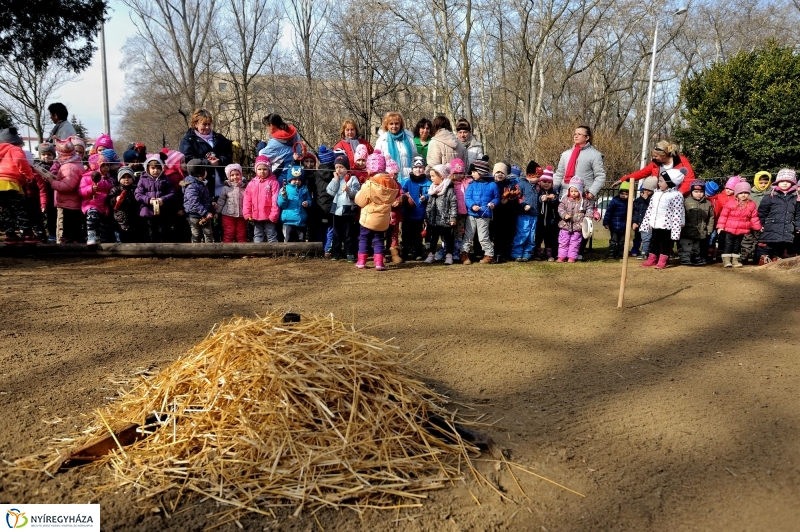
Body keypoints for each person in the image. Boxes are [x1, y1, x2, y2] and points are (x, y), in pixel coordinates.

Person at [354, 149, 400, 271]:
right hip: (383, 220)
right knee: (379, 240)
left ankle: (361, 261)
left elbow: (360, 201)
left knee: (363, 239)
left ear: (370, 169)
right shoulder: (393, 184)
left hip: (368, 219)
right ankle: (379, 262)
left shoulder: (369, 184)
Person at [179, 109, 234, 199]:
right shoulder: (188, 140)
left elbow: (229, 155)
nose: (207, 127)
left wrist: (219, 160)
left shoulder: (220, 138)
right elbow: (188, 159)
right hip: (201, 186)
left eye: (209, 124)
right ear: (196, 124)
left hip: (222, 184)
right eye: (204, 124)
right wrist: (207, 163)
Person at [640, 168, 686, 269]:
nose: (658, 183)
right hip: (656, 224)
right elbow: (650, 209)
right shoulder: (656, 194)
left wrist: (676, 229)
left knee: (665, 243)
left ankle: (663, 260)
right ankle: (652, 258)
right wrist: (649, 222)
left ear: (669, 182)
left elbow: (678, 212)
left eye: (661, 181)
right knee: (654, 241)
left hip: (667, 226)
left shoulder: (676, 195)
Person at [616, 139, 696, 196]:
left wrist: (678, 194)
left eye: (656, 156)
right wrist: (623, 179)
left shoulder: (682, 161)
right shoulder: (655, 164)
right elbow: (641, 173)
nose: (654, 158)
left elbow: (689, 180)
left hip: (679, 196)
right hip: (660, 195)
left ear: (664, 155)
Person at [0, 127, 37, 244]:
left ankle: (10, 235)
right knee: (21, 209)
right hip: (12, 183)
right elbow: (20, 161)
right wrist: (29, 176)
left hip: (0, 184)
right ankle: (27, 234)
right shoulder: (15, 149)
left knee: (6, 210)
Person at [44, 138, 85, 243]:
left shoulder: (69, 166)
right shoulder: (74, 163)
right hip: (71, 201)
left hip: (69, 202)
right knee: (72, 225)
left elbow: (68, 185)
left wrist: (52, 182)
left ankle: (69, 244)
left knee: (69, 226)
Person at [757, 169, 800, 264]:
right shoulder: (770, 196)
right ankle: (763, 258)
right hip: (770, 226)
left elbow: (798, 214)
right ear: (777, 182)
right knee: (767, 244)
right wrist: (761, 224)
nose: (785, 183)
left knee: (781, 245)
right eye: (782, 181)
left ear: (792, 183)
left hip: (787, 226)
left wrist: (798, 226)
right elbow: (762, 212)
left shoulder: (795, 197)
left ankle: (776, 258)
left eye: (788, 181)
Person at [461, 156, 498, 264]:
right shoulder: (471, 185)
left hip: (484, 215)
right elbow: (467, 197)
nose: (472, 174)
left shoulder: (492, 185)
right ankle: (464, 253)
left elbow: (496, 197)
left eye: (474, 172)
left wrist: (493, 203)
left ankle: (489, 255)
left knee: (483, 236)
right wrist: (472, 205)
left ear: (481, 172)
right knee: (468, 235)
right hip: (471, 215)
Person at [553, 125, 606, 200]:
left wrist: (592, 192)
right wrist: (550, 189)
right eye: (575, 134)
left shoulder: (595, 155)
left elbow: (600, 176)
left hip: (584, 196)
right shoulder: (565, 154)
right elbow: (559, 175)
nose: (576, 136)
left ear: (587, 137)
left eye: (579, 134)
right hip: (565, 196)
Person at [716, 181, 762, 268]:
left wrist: (758, 227)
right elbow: (724, 215)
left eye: (746, 193)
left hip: (742, 230)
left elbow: (754, 217)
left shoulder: (751, 204)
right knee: (728, 244)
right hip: (729, 229)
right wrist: (720, 226)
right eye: (741, 193)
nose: (743, 195)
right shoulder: (731, 203)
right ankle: (726, 260)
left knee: (737, 245)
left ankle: (735, 260)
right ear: (736, 194)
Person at [135, 153, 176, 243]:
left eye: (158, 168)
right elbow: (138, 194)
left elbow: (172, 193)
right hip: (148, 211)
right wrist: (148, 200)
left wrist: (163, 199)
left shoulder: (165, 179)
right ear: (148, 168)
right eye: (153, 168)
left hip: (163, 211)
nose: (155, 170)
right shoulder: (143, 179)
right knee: (151, 232)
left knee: (163, 232)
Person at [326, 155, 360, 261]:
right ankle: (336, 252)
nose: (338, 170)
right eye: (336, 167)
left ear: (347, 168)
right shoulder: (336, 179)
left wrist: (348, 190)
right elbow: (330, 192)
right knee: (336, 233)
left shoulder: (353, 179)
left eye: (341, 167)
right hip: (336, 210)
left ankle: (349, 252)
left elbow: (357, 194)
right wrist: (335, 180)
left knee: (348, 233)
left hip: (348, 210)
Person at [423, 163, 457, 265]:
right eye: (430, 176)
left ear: (441, 176)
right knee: (433, 238)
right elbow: (429, 205)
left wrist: (453, 217)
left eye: (433, 176)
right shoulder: (432, 189)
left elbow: (453, 204)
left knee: (448, 238)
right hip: (434, 220)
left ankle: (449, 255)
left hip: (446, 220)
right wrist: (427, 217)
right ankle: (431, 254)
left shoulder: (449, 190)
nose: (431, 178)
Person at [243, 155, 280, 243]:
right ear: (256, 170)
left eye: (265, 169)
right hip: (256, 214)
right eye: (259, 169)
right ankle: (257, 250)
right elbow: (247, 199)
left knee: (271, 234)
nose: (262, 172)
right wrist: (247, 213)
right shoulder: (252, 183)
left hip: (269, 215)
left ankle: (273, 250)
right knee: (257, 234)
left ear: (269, 169)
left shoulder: (273, 183)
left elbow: (275, 200)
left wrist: (274, 214)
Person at [79, 154, 114, 246]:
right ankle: (91, 235)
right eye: (103, 165)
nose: (106, 168)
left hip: (104, 205)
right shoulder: (87, 177)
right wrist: (90, 189)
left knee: (104, 224)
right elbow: (81, 191)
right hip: (91, 203)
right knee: (92, 217)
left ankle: (104, 240)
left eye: (107, 165)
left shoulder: (109, 179)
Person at [257, 113, 302, 185]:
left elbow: (262, 157)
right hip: (296, 174)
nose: (266, 129)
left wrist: (261, 144)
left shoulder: (274, 143)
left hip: (281, 176)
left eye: (266, 126)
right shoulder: (295, 134)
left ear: (271, 126)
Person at [557, 177, 593, 263]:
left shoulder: (584, 201)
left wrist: (588, 216)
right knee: (563, 242)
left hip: (578, 226)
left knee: (575, 243)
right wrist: (564, 215)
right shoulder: (565, 199)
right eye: (572, 191)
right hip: (565, 225)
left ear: (580, 191)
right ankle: (562, 256)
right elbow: (560, 208)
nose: (573, 193)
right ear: (569, 190)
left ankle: (572, 257)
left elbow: (589, 209)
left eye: (576, 191)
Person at [401, 155, 431, 260]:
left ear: (424, 168)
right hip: (407, 212)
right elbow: (401, 192)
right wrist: (404, 196)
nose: (418, 170)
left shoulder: (428, 182)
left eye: (420, 167)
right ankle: (405, 251)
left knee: (418, 234)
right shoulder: (407, 181)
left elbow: (431, 193)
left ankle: (418, 251)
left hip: (420, 213)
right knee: (406, 233)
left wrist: (425, 197)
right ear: (412, 168)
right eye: (415, 167)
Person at [679, 180, 715, 266]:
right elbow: (680, 215)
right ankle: (685, 259)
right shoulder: (685, 202)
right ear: (691, 191)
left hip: (701, 231)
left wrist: (709, 229)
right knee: (686, 246)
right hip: (687, 231)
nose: (699, 194)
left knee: (696, 247)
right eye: (696, 191)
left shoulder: (708, 203)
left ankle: (695, 258)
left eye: (701, 192)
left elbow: (711, 217)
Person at [491, 162, 520, 263]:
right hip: (496, 214)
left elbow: (515, 198)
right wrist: (498, 202)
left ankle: (506, 253)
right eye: (497, 172)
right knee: (497, 235)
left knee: (507, 234)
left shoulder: (510, 185)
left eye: (502, 172)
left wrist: (510, 200)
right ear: (494, 173)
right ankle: (497, 253)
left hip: (508, 214)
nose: (500, 174)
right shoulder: (492, 184)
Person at [511, 162, 540, 261]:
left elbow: (538, 198)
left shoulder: (537, 186)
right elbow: (516, 198)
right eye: (537, 176)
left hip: (534, 214)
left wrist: (542, 198)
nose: (539, 179)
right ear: (530, 175)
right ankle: (517, 253)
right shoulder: (521, 185)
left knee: (531, 235)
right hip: (524, 214)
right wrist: (523, 206)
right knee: (522, 233)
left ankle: (527, 253)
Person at [374, 112, 417, 177]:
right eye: (391, 124)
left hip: (408, 176)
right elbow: (378, 161)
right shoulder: (382, 140)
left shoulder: (409, 138)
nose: (394, 126)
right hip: (389, 177)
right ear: (387, 125)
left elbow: (414, 157)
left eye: (396, 123)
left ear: (400, 124)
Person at [742, 171, 772, 263]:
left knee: (759, 240)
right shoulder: (750, 194)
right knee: (747, 240)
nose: (763, 185)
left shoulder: (771, 194)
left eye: (765, 183)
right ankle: (744, 257)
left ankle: (757, 257)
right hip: (749, 221)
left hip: (763, 222)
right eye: (761, 182)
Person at [309, 146, 335, 253]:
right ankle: (328, 249)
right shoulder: (335, 174)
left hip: (319, 207)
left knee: (320, 228)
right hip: (332, 207)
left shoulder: (315, 175)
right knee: (330, 229)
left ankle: (319, 249)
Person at [183, 159, 215, 243]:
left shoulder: (202, 183)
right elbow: (194, 202)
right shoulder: (192, 186)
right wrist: (205, 213)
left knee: (208, 233)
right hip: (194, 215)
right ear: (201, 173)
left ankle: (210, 249)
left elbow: (205, 197)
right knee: (196, 234)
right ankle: (195, 249)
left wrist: (211, 202)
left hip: (204, 214)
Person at [107, 167, 142, 242]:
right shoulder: (115, 189)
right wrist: (115, 199)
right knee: (121, 239)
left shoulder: (136, 189)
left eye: (129, 177)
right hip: (120, 219)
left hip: (135, 219)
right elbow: (109, 201)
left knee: (135, 239)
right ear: (119, 178)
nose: (126, 179)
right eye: (123, 177)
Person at [278, 166, 311, 242]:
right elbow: (281, 204)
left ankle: (300, 250)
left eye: (299, 179)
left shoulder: (304, 189)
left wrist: (308, 203)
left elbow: (309, 199)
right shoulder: (285, 189)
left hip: (301, 221)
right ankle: (287, 250)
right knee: (288, 241)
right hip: (288, 221)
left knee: (301, 241)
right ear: (289, 179)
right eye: (295, 179)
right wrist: (284, 197)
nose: (297, 181)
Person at [216, 164, 247, 243]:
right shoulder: (226, 188)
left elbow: (248, 201)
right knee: (229, 232)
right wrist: (217, 212)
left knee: (241, 233)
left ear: (241, 175)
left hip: (241, 215)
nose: (235, 177)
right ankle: (227, 248)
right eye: (232, 175)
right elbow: (221, 200)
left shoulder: (245, 188)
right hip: (228, 215)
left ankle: (243, 248)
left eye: (237, 174)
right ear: (228, 176)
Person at [535, 166, 559, 261]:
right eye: (544, 181)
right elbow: (537, 200)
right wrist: (541, 198)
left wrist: (553, 199)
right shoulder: (538, 191)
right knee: (538, 238)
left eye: (549, 182)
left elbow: (557, 201)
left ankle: (549, 254)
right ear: (540, 182)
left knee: (549, 238)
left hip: (550, 221)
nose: (546, 184)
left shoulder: (553, 192)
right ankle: (537, 253)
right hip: (539, 220)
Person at [631, 176, 657, 259]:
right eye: (644, 190)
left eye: (648, 190)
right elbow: (635, 212)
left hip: (647, 224)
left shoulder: (654, 199)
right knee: (637, 238)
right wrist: (634, 222)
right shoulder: (638, 201)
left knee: (647, 238)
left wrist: (646, 200)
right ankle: (635, 250)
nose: (646, 192)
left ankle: (645, 251)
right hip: (639, 223)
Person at [602, 182, 629, 259]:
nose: (624, 196)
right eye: (622, 194)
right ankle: (611, 252)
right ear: (619, 193)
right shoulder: (614, 201)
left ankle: (620, 252)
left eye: (626, 194)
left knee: (622, 241)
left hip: (624, 226)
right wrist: (606, 222)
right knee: (614, 240)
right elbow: (608, 212)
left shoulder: (629, 203)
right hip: (614, 225)